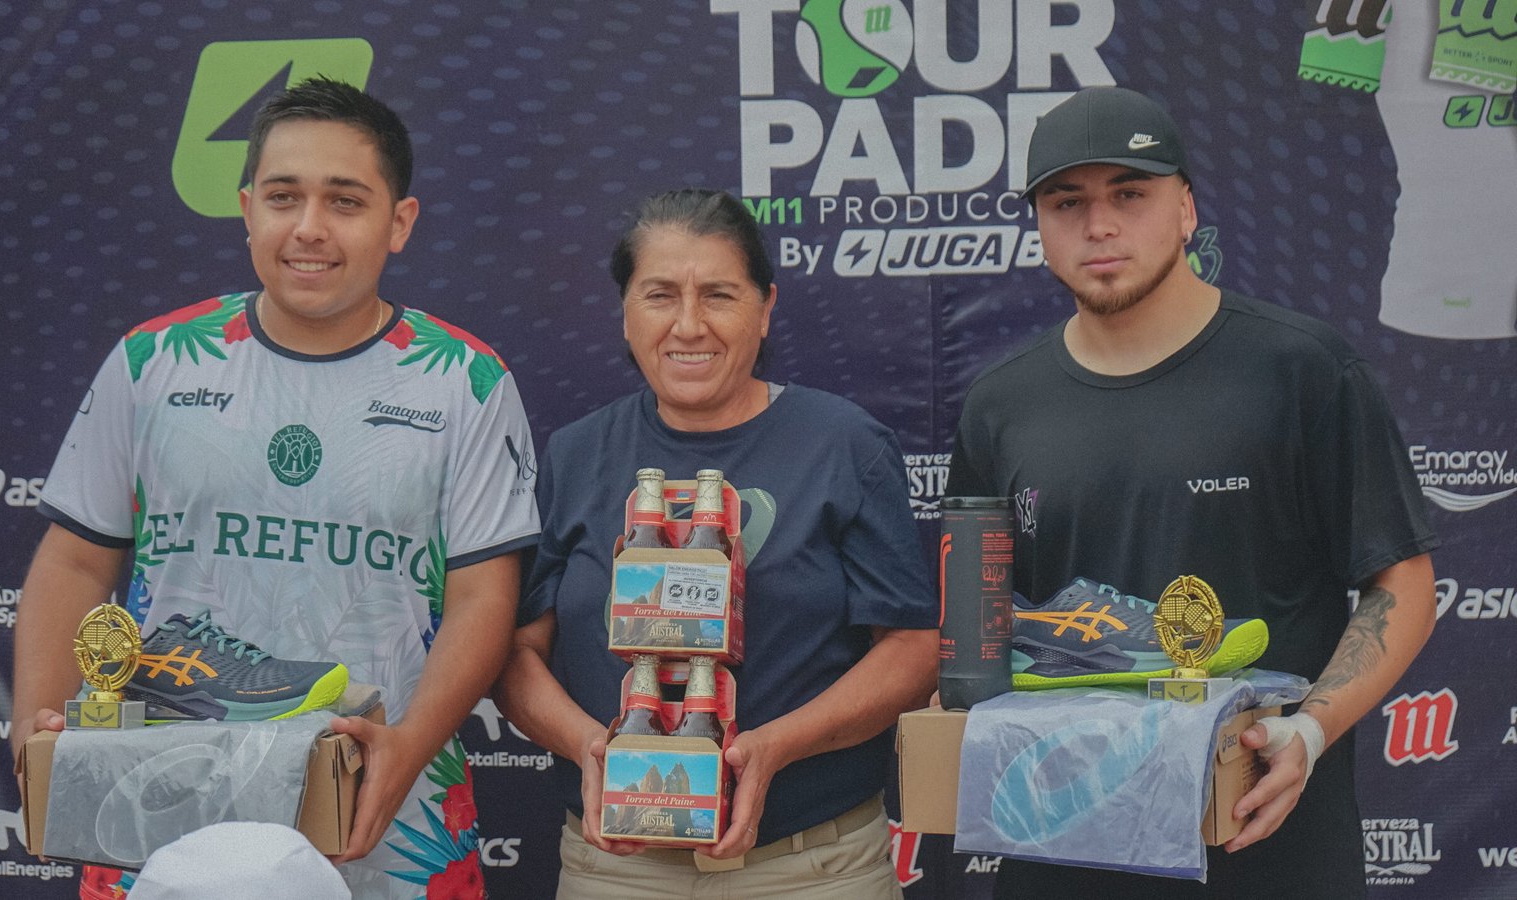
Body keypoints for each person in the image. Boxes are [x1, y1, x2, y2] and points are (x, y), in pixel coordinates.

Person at [10, 77, 539, 900]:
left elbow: (482, 598)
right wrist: (35, 742)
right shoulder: (155, 361)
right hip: (163, 806)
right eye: (284, 197)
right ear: (247, 209)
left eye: (345, 201)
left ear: (400, 222)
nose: (309, 228)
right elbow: (74, 562)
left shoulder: (465, 381)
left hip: (387, 819)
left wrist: (407, 748)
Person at [947, 86, 1440, 898]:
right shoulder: (1002, 404)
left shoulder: (1302, 370)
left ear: (1186, 210)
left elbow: (1402, 580)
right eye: (1067, 202)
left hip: (1262, 838)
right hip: (1068, 848)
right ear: (1038, 224)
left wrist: (1311, 732)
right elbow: (987, 624)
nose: (1099, 226)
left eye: (1129, 195)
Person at [493, 188, 937, 899]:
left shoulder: (844, 445)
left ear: (765, 308)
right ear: (626, 312)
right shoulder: (577, 455)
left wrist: (777, 747)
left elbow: (911, 649)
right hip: (617, 871)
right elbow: (516, 654)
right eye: (660, 295)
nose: (689, 324)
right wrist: (591, 745)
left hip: (809, 870)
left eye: (719, 295)